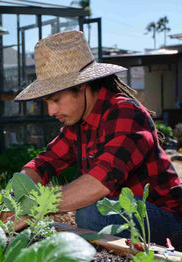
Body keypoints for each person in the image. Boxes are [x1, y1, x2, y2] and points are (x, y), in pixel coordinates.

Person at [14, 30, 182, 247]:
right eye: (47, 102)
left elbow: (98, 185)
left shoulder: (126, 113)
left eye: (55, 99)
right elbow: (43, 164)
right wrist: (14, 198)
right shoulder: (77, 122)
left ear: (82, 87)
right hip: (122, 213)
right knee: (95, 213)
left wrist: (37, 208)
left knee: (91, 214)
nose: (50, 110)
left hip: (167, 221)